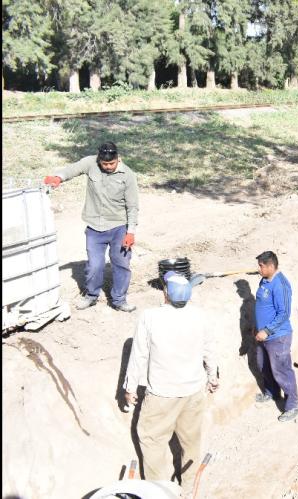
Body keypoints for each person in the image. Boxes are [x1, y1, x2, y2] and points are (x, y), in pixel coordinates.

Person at [123, 271, 218, 487]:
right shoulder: (199, 316)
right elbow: (209, 349)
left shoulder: (150, 317)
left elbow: (138, 355)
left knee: (152, 440)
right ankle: (189, 485)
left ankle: (159, 491)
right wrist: (213, 375)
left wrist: (130, 388)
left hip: (161, 395)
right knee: (191, 440)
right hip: (193, 392)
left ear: (165, 293)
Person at [44, 142, 140, 312]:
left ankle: (119, 300)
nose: (108, 167)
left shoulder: (128, 175)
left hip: (119, 227)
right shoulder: (91, 163)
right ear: (99, 160)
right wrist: (58, 177)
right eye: (105, 164)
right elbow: (72, 169)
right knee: (95, 265)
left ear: (118, 159)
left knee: (121, 264)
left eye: (112, 163)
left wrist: (130, 232)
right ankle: (91, 296)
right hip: (95, 227)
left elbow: (132, 206)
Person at [253, 251, 298, 422]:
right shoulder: (265, 280)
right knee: (263, 365)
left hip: (278, 337)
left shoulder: (281, 284)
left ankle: (293, 405)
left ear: (271, 266)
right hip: (262, 336)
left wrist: (266, 330)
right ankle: (272, 393)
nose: (258, 268)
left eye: (261, 266)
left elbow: (284, 313)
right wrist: (257, 327)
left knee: (282, 370)